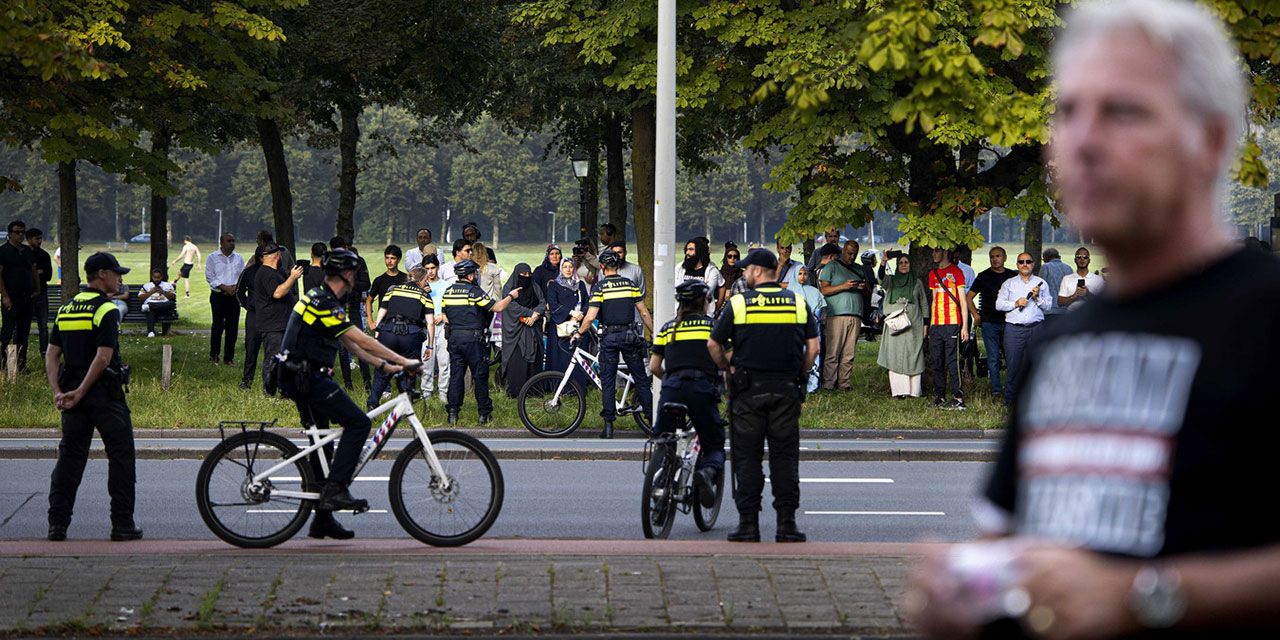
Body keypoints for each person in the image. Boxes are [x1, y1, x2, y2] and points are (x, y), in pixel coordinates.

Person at [910, 2, 1280, 637]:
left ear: (1212, 139)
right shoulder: (1061, 342)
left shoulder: (1265, 319)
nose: (1081, 141)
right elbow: (1013, 550)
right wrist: (968, 599)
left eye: (1123, 112)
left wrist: (1148, 597)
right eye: (1068, 111)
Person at [276, 249, 420, 540]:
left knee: (323, 449)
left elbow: (350, 345)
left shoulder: (321, 297)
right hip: (306, 378)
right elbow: (360, 337)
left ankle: (322, 520)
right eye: (355, 274)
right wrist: (404, 362)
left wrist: (384, 366)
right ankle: (337, 490)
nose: (356, 281)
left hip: (300, 375)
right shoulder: (324, 302)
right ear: (348, 275)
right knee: (359, 423)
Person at [708, 248, 819, 543]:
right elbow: (814, 348)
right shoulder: (797, 303)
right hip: (786, 390)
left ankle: (748, 525)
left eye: (747, 269)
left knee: (747, 458)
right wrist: (800, 373)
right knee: (784, 458)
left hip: (747, 393)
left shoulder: (739, 304)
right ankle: (786, 525)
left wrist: (728, 369)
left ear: (758, 271)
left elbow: (713, 345)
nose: (744, 273)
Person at [45, 252, 141, 542]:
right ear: (102, 274)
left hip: (72, 392)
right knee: (121, 457)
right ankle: (122, 525)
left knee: (70, 459)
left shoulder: (66, 309)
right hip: (103, 393)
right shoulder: (106, 310)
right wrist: (82, 391)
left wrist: (59, 392)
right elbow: (103, 357)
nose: (119, 278)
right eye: (116, 273)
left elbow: (51, 354)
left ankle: (57, 525)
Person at [649, 279, 726, 507]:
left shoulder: (667, 328)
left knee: (664, 440)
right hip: (702, 390)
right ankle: (706, 474)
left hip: (671, 390)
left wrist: (671, 379)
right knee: (713, 443)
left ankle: (662, 480)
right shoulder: (714, 327)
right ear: (704, 302)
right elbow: (725, 361)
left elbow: (654, 366)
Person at [571, 250, 654, 439]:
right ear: (617, 266)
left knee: (608, 382)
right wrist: (655, 334)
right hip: (630, 337)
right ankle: (651, 423)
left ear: (602, 267)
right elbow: (643, 312)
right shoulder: (630, 285)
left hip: (608, 338)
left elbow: (591, 316)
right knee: (640, 379)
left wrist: (579, 333)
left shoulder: (600, 288)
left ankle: (608, 427)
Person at [441, 259, 521, 425]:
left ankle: (453, 413)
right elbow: (497, 307)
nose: (477, 275)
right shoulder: (474, 292)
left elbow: (445, 316)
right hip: (473, 340)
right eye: (475, 273)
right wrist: (511, 296)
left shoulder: (448, 292)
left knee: (456, 376)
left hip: (455, 339)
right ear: (470, 275)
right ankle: (484, 414)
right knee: (480, 376)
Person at [367, 266, 434, 409]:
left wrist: (378, 334)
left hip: (388, 332)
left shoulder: (392, 289)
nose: (426, 284)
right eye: (425, 281)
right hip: (411, 334)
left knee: (382, 371)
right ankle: (405, 407)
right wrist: (430, 345)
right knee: (409, 371)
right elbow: (430, 323)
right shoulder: (424, 295)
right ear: (421, 280)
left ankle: (372, 405)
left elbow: (381, 312)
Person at [995, 252, 1050, 403]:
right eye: (1021, 262)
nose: (1024, 264)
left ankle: (1035, 401)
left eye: (1028, 261)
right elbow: (998, 305)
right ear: (1017, 265)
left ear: (1033, 264)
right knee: (1013, 366)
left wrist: (1037, 298)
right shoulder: (1009, 283)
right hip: (1014, 330)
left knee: (1036, 365)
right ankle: (1011, 400)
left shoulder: (1041, 283)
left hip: (1036, 328)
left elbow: (1048, 306)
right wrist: (1016, 303)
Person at [967, 246, 1018, 400]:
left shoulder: (1012, 276)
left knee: (1012, 357)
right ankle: (996, 389)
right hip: (989, 323)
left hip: (1009, 322)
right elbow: (969, 297)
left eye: (998, 256)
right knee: (993, 357)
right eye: (992, 256)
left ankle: (1013, 388)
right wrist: (975, 314)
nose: (995, 259)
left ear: (1005, 257)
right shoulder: (983, 276)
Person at [254, 243, 303, 395]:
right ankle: (269, 392)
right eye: (281, 255)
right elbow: (277, 293)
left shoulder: (277, 271)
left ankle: (284, 391)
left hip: (282, 324)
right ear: (276, 256)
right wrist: (293, 278)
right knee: (273, 360)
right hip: (272, 326)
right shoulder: (266, 273)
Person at [877, 254, 928, 398]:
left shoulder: (917, 282)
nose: (904, 265)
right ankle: (899, 391)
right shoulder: (891, 281)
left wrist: (926, 325)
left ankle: (914, 391)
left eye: (906, 262)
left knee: (914, 354)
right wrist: (883, 262)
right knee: (895, 355)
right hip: (895, 324)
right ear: (897, 266)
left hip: (914, 324)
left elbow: (924, 303)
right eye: (901, 263)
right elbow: (881, 279)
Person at [818, 240, 865, 391]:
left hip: (856, 314)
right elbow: (824, 290)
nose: (852, 257)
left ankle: (844, 383)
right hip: (836, 315)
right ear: (843, 251)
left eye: (854, 254)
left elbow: (868, 292)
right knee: (833, 352)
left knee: (849, 352)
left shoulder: (859, 268)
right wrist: (844, 286)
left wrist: (864, 287)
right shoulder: (832, 266)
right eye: (849, 253)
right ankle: (829, 384)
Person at [926, 246, 969, 410]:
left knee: (952, 361)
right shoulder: (932, 274)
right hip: (937, 324)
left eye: (936, 251)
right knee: (936, 361)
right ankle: (940, 397)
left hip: (952, 323)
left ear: (945, 253)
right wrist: (931, 325)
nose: (933, 254)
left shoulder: (956, 272)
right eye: (933, 252)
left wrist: (964, 326)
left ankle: (958, 397)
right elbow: (934, 300)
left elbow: (963, 301)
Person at [328, 236, 372, 391]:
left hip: (352, 307)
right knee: (342, 348)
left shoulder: (358, 262)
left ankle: (367, 382)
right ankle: (348, 384)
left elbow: (366, 283)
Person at [499, 263, 545, 397]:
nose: (526, 277)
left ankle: (534, 390)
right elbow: (510, 305)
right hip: (516, 332)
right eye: (523, 275)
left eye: (528, 274)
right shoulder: (510, 288)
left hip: (533, 329)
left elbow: (542, 302)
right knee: (517, 360)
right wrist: (529, 313)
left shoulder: (534, 286)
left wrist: (535, 315)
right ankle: (516, 390)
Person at [546, 257, 589, 389]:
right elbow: (553, 306)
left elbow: (587, 302)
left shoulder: (580, 284)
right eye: (565, 267)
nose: (568, 270)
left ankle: (578, 387)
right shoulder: (554, 285)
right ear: (561, 268)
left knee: (578, 355)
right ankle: (560, 387)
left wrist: (580, 315)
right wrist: (571, 313)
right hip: (560, 327)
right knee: (561, 357)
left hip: (578, 325)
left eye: (570, 267)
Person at [205, 233, 244, 366]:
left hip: (234, 296)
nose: (231, 243)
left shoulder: (238, 258)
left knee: (232, 328)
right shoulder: (212, 258)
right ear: (221, 242)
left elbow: (242, 276)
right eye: (228, 241)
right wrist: (224, 288)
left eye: (233, 241)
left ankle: (229, 358)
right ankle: (214, 356)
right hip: (218, 296)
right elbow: (210, 276)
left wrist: (234, 288)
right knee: (217, 326)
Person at [419, 255, 451, 403]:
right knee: (427, 362)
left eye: (433, 268)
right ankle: (426, 393)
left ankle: (443, 393)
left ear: (438, 268)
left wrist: (443, 315)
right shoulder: (420, 287)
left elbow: (451, 307)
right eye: (427, 269)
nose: (430, 272)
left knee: (444, 362)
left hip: (442, 327)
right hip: (426, 328)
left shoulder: (446, 286)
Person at [236, 245, 264, 389]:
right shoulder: (249, 272)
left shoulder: (278, 272)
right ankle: (247, 380)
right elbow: (239, 291)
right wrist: (247, 305)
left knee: (272, 350)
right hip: (254, 314)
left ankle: (271, 382)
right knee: (251, 347)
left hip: (271, 315)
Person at [793, 265, 826, 392]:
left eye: (804, 274)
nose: (802, 277)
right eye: (799, 274)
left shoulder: (815, 292)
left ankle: (813, 386)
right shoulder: (790, 293)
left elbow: (820, 311)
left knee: (814, 356)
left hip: (813, 331)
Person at [677, 237, 724, 314]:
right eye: (687, 249)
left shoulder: (712, 271)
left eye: (691, 249)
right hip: (682, 315)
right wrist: (701, 287)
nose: (687, 253)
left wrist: (717, 306)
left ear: (699, 251)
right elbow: (677, 290)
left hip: (704, 316)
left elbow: (706, 293)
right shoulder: (679, 268)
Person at [366, 245, 408, 330]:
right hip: (383, 324)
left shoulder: (406, 279)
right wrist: (370, 321)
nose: (389, 261)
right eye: (387, 258)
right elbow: (369, 300)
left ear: (399, 260)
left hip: (403, 324)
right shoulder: (379, 280)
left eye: (392, 258)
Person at [26, 228, 52, 357]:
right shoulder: (24, 254)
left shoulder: (44, 255)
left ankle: (44, 351)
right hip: (26, 294)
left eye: (40, 238)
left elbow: (48, 275)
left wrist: (36, 273)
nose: (40, 241)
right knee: (22, 324)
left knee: (43, 325)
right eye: (37, 239)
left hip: (42, 293)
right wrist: (37, 272)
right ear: (29, 239)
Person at [1038, 247, 1073, 327]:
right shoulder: (1068, 268)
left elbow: (1040, 287)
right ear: (1059, 257)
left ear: (1046, 258)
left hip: (1050, 310)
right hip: (1065, 310)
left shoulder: (1045, 267)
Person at [138, 268, 177, 337]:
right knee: (151, 311)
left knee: (171, 304)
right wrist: (151, 292)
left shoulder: (167, 285)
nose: (156, 279)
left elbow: (173, 297)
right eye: (154, 277)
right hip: (152, 306)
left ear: (161, 277)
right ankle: (151, 332)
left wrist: (162, 291)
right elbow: (140, 298)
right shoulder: (147, 286)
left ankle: (150, 306)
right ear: (152, 277)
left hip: (164, 306)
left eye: (158, 277)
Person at [718, 242, 743, 312]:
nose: (732, 258)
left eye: (735, 256)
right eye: (729, 256)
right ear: (726, 258)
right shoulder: (719, 273)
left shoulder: (742, 274)